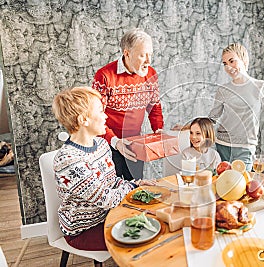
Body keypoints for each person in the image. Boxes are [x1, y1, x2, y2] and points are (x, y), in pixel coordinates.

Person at [52, 87, 155, 251]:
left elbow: (111, 182)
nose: (105, 116)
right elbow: (107, 199)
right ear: (83, 120)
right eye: (100, 111)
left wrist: (139, 183)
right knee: (147, 238)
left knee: (155, 221)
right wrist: (134, 187)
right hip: (84, 230)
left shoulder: (101, 145)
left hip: (108, 215)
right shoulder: (69, 161)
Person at [208, 43, 264, 171]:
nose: (228, 67)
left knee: (242, 186)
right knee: (222, 186)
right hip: (222, 145)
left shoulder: (261, 86)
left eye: (231, 61)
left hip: (245, 147)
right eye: (224, 63)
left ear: (244, 60)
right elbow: (212, 118)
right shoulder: (223, 90)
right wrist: (189, 126)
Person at [92, 28, 164, 181]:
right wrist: (115, 142)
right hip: (108, 144)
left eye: (150, 54)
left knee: (137, 187)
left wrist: (158, 129)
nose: (148, 61)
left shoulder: (151, 74)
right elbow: (94, 117)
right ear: (127, 53)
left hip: (135, 144)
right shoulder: (104, 76)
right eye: (143, 55)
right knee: (114, 190)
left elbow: (154, 107)